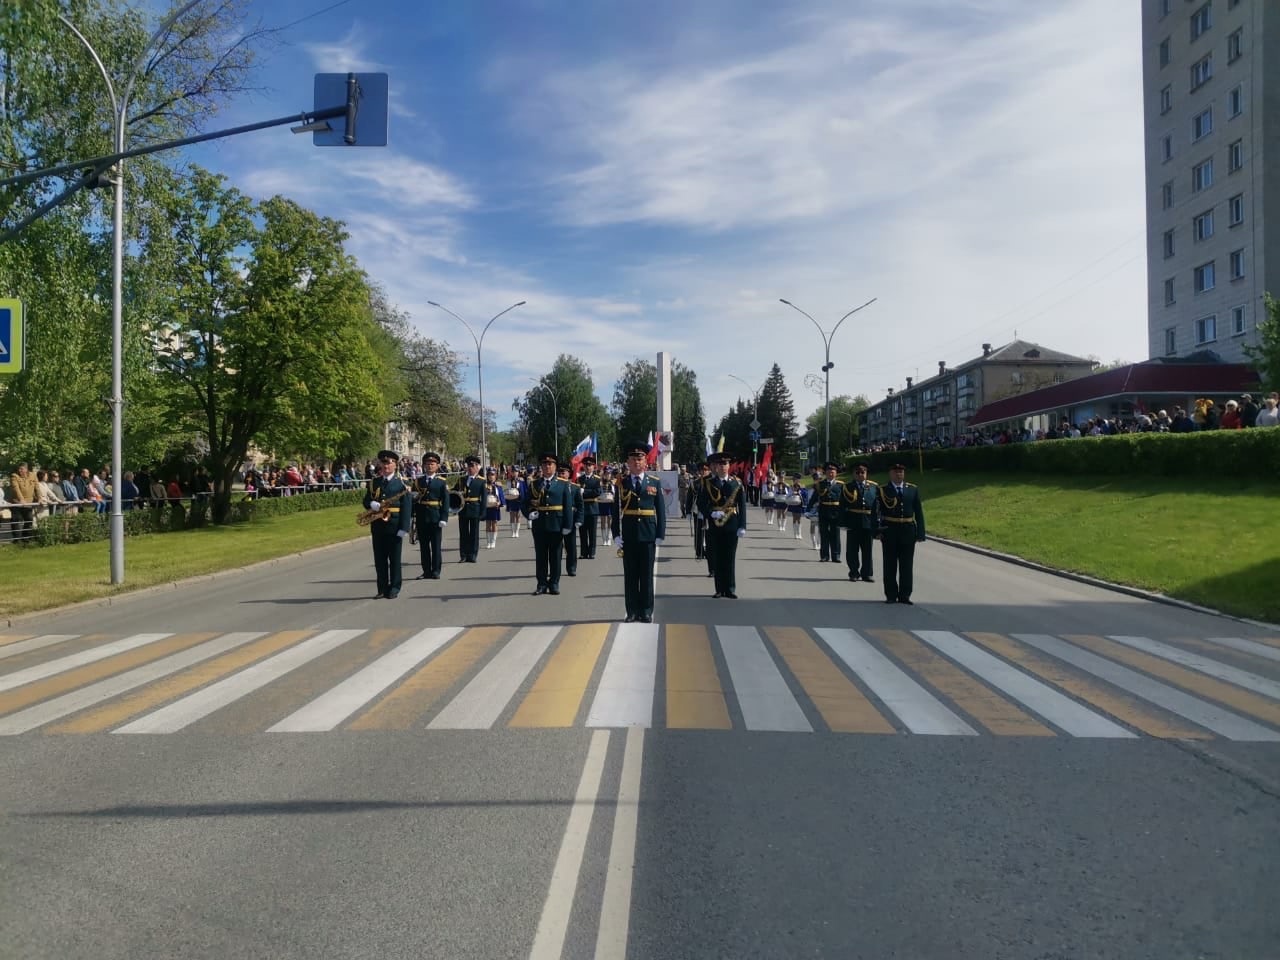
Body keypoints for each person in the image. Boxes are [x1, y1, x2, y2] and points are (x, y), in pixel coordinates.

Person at [613, 440, 667, 622]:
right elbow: (615, 510)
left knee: (646, 575)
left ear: (645, 462)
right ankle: (632, 611)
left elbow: (660, 510)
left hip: (648, 534)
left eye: (640, 459)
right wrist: (615, 534)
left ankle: (646, 610)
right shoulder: (621, 483)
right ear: (627, 462)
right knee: (630, 575)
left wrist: (660, 534)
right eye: (633, 459)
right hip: (628, 535)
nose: (637, 462)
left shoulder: (654, 482)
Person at [363, 449, 413, 598]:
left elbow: (407, 506)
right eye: (382, 463)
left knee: (394, 559)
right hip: (378, 525)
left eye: (388, 463)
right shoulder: (375, 482)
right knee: (380, 559)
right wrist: (371, 504)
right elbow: (366, 500)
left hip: (394, 525)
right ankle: (382, 588)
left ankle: (394, 588)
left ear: (395, 465)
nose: (385, 466)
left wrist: (404, 527)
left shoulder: (401, 484)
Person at [698, 450, 746, 599]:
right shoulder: (708, 483)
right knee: (717, 557)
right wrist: (711, 513)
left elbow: (742, 506)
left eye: (726, 464)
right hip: (715, 525)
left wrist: (742, 526)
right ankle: (719, 589)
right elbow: (701, 504)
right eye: (720, 464)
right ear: (716, 467)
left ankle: (730, 588)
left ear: (729, 466)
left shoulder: (736, 482)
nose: (723, 467)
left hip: (731, 523)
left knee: (729, 557)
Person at [523, 452, 573, 595]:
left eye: (550, 464)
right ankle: (541, 584)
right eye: (544, 464)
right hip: (540, 525)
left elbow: (567, 506)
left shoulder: (563, 484)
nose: (547, 467)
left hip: (557, 525)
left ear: (555, 467)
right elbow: (525, 502)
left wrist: (567, 525)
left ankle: (554, 583)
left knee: (556, 555)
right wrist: (529, 514)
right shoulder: (534, 484)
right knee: (541, 556)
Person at [877, 462, 926, 605]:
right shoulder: (883, 490)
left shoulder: (912, 489)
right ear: (890, 474)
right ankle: (891, 594)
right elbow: (876, 512)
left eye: (901, 472)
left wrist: (920, 533)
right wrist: (877, 531)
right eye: (896, 471)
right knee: (890, 564)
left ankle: (905, 595)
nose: (899, 474)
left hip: (908, 530)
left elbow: (919, 512)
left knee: (907, 564)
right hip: (889, 530)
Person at [413, 451, 450, 580]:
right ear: (424, 465)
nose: (430, 466)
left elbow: (445, 501)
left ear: (437, 466)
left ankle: (436, 570)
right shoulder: (418, 481)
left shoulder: (441, 482)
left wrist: (444, 518)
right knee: (424, 546)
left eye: (432, 464)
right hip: (422, 517)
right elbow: (414, 500)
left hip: (435, 517)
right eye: (427, 464)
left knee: (436, 546)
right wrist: (412, 517)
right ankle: (426, 571)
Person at [841, 461, 879, 583]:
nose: (860, 475)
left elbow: (877, 506)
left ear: (866, 473)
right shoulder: (848, 487)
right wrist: (844, 522)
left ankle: (867, 573)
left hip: (868, 522)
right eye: (858, 473)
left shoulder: (874, 487)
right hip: (853, 521)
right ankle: (853, 572)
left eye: (863, 472)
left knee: (867, 550)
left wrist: (877, 522)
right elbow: (842, 506)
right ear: (854, 474)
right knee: (852, 550)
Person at [453, 455, 487, 562]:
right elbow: (454, 491)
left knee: (474, 533)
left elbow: (484, 498)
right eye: (469, 466)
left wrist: (483, 512)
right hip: (462, 509)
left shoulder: (481, 481)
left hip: (475, 508)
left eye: (472, 466)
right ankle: (463, 555)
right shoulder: (461, 480)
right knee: (463, 533)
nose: (470, 468)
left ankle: (472, 555)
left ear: (478, 467)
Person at [815, 461, 846, 563]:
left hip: (836, 512)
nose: (831, 473)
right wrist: (808, 509)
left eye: (833, 471)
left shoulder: (841, 485)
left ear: (836, 473)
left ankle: (836, 556)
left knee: (835, 535)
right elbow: (815, 497)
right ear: (825, 473)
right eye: (828, 471)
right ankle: (824, 556)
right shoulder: (820, 484)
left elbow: (844, 500)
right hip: (823, 510)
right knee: (824, 534)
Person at [557, 464, 585, 575]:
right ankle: (556, 569)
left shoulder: (574, 487)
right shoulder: (555, 486)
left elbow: (580, 505)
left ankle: (571, 567)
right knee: (557, 546)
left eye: (563, 473)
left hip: (571, 519)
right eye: (559, 473)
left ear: (569, 474)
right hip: (557, 519)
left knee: (571, 546)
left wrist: (579, 519)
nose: (561, 475)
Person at [577, 457, 602, 560]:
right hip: (582, 509)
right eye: (586, 465)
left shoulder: (597, 479)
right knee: (582, 532)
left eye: (590, 465)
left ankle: (591, 552)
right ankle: (583, 552)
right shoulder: (580, 479)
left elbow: (597, 492)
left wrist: (585, 492)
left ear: (593, 467)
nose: (588, 467)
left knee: (592, 533)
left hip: (592, 508)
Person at [483, 467, 505, 549]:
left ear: (495, 476)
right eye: (489, 474)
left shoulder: (498, 485)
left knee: (494, 523)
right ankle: (488, 542)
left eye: (492, 474)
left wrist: (500, 503)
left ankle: (493, 541)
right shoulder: (485, 485)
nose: (491, 476)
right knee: (488, 523)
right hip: (487, 506)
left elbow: (501, 496)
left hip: (495, 506)